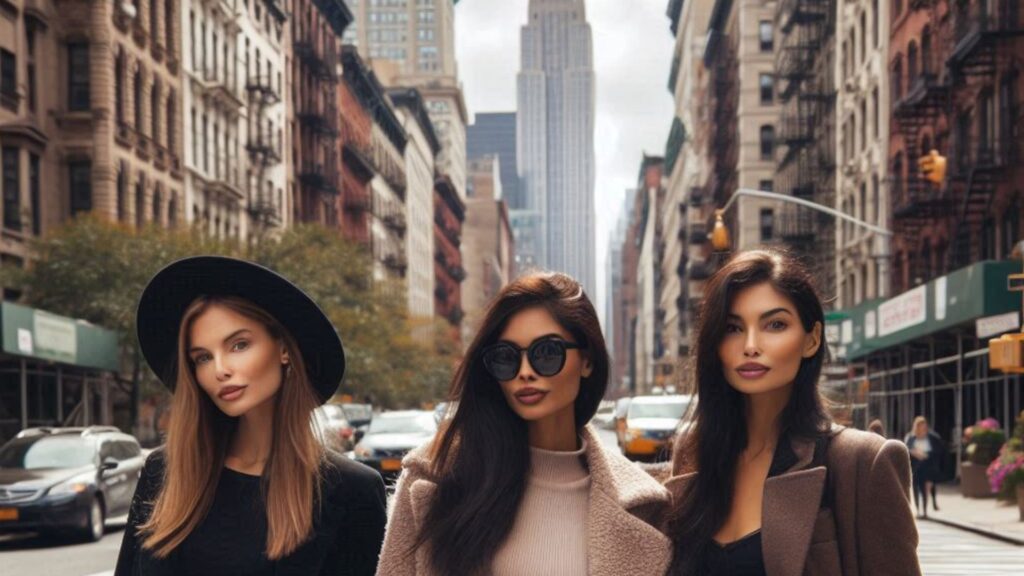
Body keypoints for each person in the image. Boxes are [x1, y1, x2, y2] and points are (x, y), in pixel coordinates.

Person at [375, 272, 672, 576]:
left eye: (546, 353)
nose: (525, 372)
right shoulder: (438, 477)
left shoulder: (644, 505)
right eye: (507, 358)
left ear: (587, 361)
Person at [115, 256, 386, 576]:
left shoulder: (351, 490)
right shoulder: (164, 471)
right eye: (202, 357)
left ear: (284, 348)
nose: (219, 370)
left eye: (239, 345)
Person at [664, 249, 920, 576]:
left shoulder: (862, 461)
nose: (751, 345)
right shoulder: (695, 450)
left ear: (811, 340)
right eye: (732, 328)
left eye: (775, 324)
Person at [904, 415, 946, 518]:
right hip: (915, 466)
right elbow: (906, 449)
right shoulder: (911, 437)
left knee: (925, 488)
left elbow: (939, 449)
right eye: (921, 426)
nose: (923, 428)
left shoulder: (931, 437)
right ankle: (917, 510)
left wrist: (928, 454)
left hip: (928, 466)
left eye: (924, 426)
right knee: (916, 487)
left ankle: (925, 510)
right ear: (916, 426)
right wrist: (914, 452)